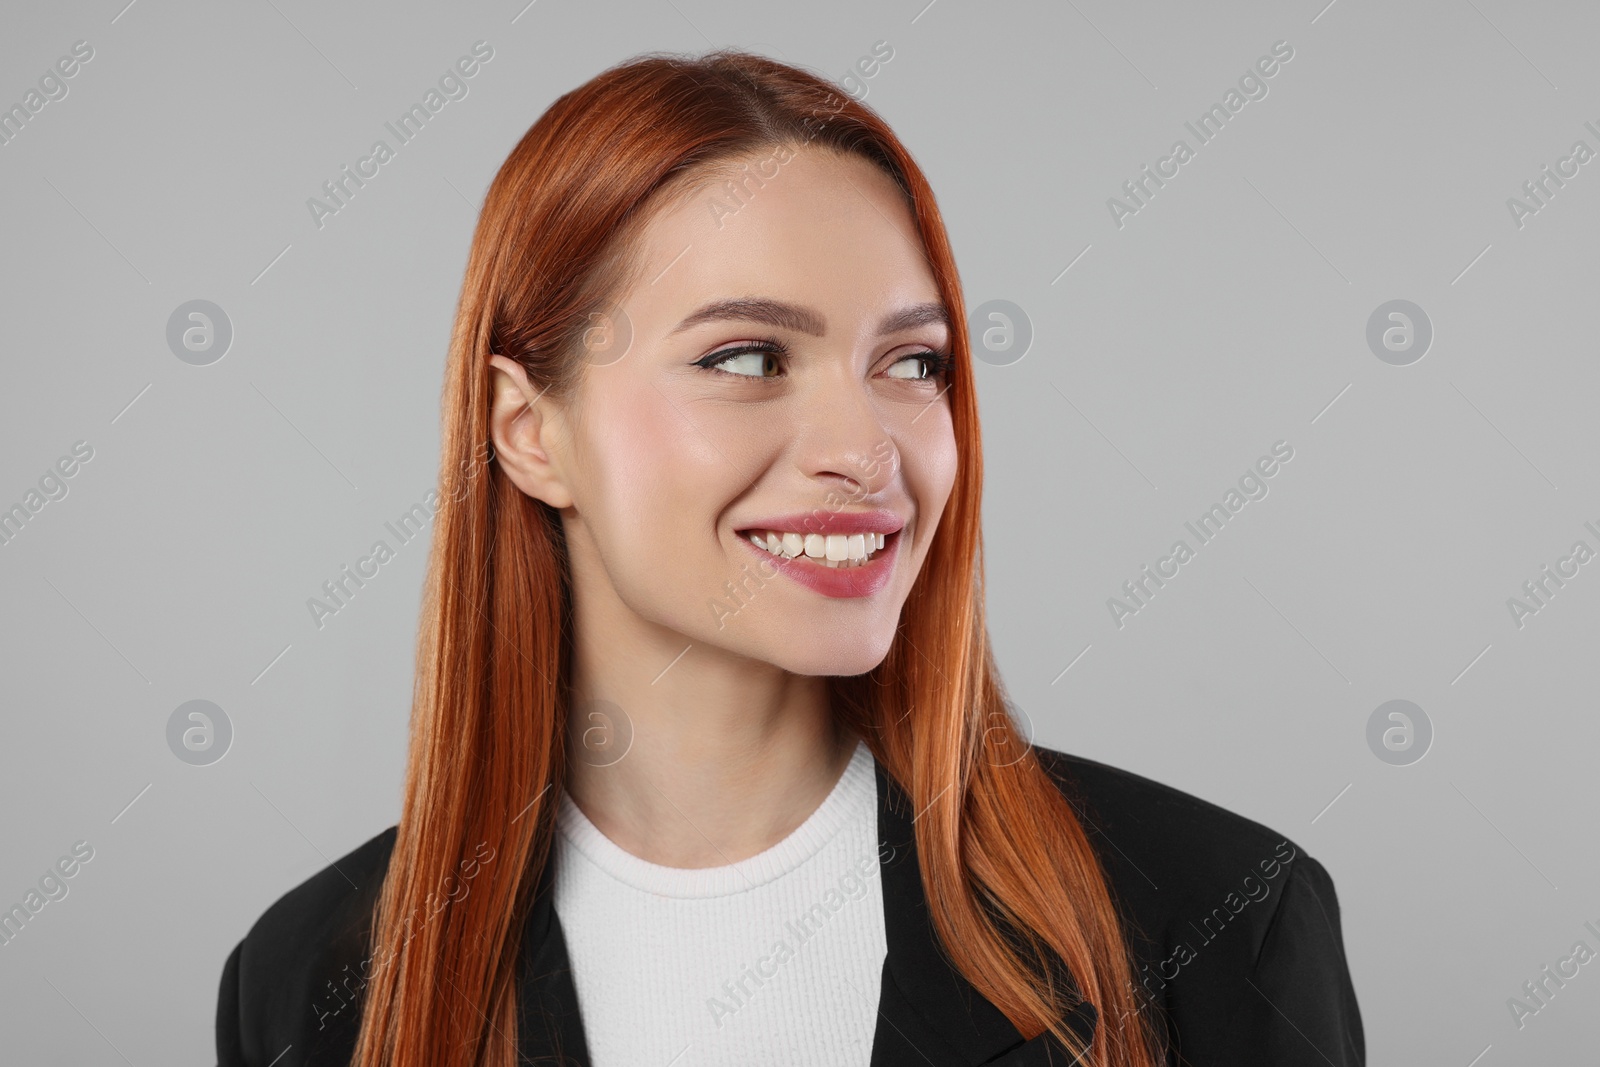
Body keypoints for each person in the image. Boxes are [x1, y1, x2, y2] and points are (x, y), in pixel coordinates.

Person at [216, 49, 1363, 1067]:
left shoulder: (1215, 919)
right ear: (530, 432)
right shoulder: (308, 985)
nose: (865, 451)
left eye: (911, 364)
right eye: (749, 355)